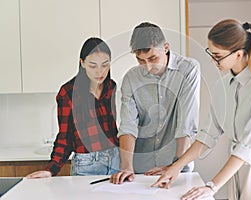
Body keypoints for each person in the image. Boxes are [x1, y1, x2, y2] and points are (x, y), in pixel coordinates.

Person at [152, 19, 251, 200]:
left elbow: (248, 145)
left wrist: (212, 185)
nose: (213, 61)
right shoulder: (222, 86)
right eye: (211, 53)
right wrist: (175, 167)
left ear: (239, 54)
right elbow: (207, 135)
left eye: (218, 56)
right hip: (235, 166)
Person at [110, 22, 200, 184]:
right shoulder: (131, 78)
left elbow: (186, 123)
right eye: (140, 60)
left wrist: (175, 166)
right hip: (140, 169)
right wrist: (126, 166)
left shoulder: (188, 69)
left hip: (177, 165)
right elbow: (128, 126)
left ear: (165, 47)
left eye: (153, 58)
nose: (148, 67)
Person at [26, 37, 120, 178]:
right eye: (93, 66)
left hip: (115, 160)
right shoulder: (68, 93)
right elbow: (65, 137)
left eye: (105, 65)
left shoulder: (110, 87)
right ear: (82, 63)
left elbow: (113, 130)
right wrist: (51, 169)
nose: (100, 71)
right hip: (87, 164)